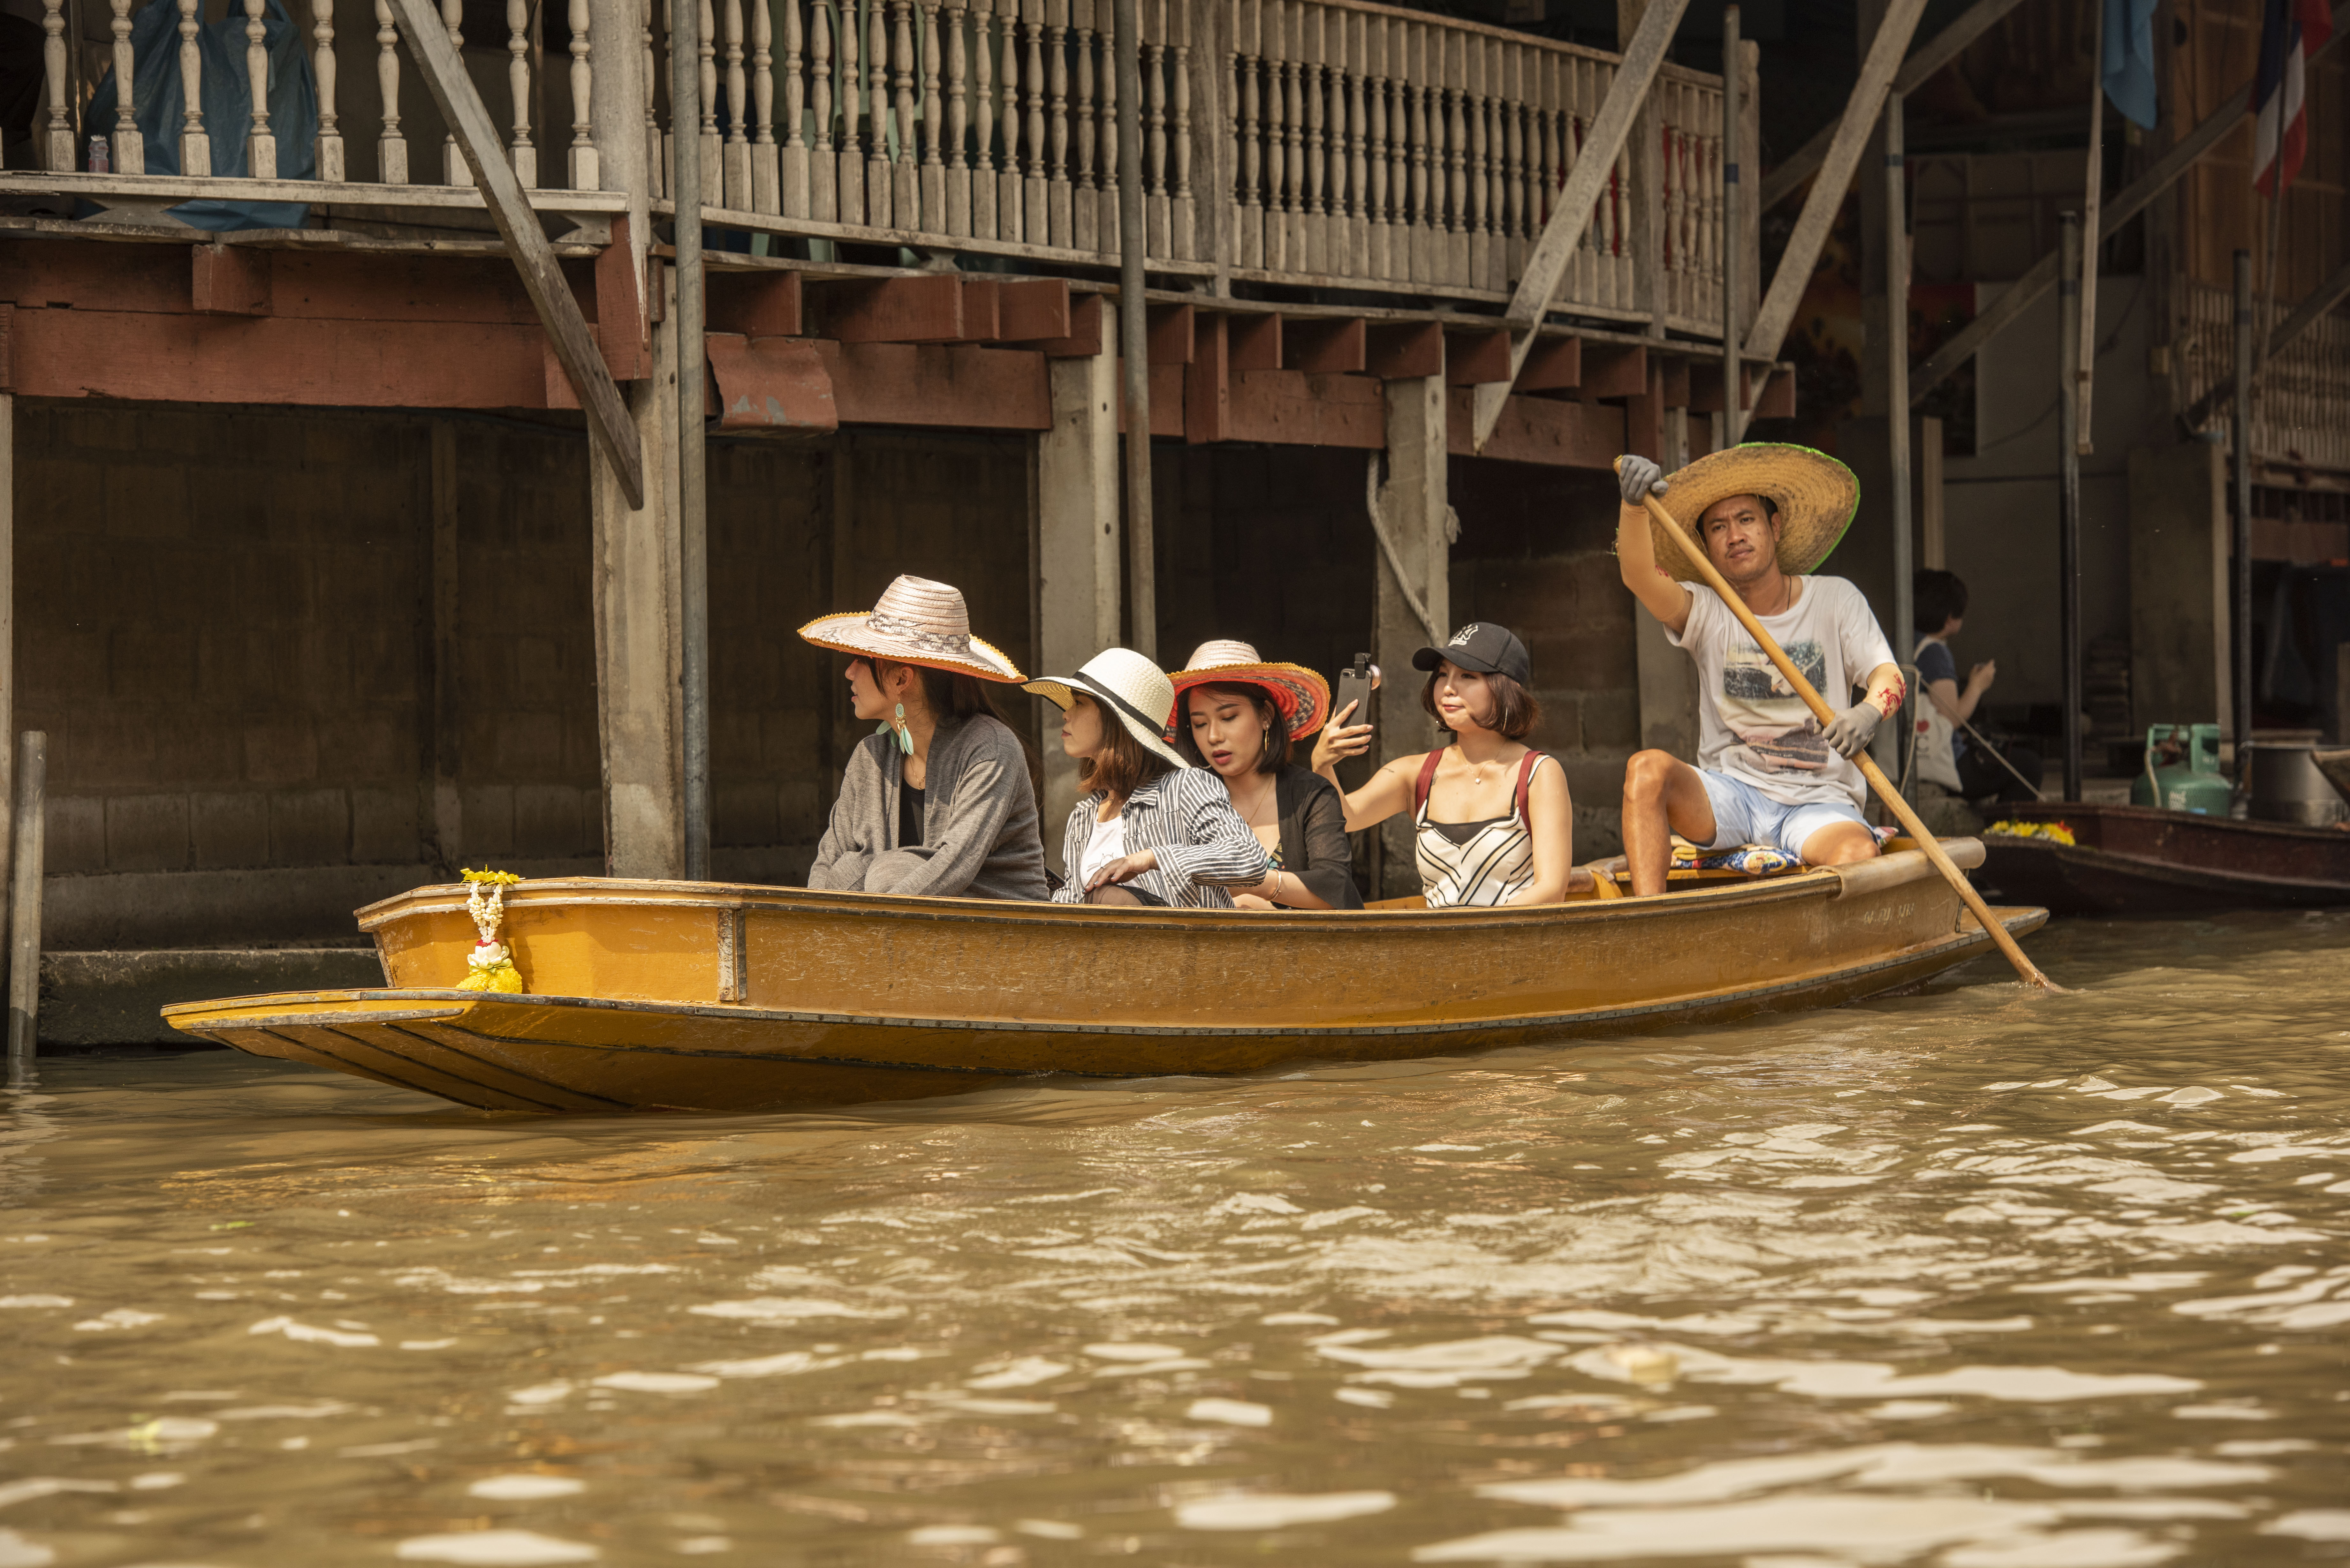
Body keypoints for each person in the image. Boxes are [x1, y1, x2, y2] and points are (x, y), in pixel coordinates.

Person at [1613, 445, 1905, 898]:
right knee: (1646, 770)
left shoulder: (1835, 599)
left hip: (1817, 802)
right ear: (1707, 545)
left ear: (1775, 526)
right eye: (1718, 527)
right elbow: (1640, 579)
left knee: (1857, 857)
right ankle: (1649, 922)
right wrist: (1633, 508)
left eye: (1746, 520)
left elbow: (1888, 675)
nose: (1734, 536)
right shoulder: (1707, 609)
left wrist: (1868, 713)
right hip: (1732, 796)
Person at [799, 575, 1048, 901]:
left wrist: (873, 907)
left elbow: (954, 867)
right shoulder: (868, 757)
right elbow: (826, 864)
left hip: (1003, 937)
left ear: (902, 678)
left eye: (862, 659)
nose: (849, 672)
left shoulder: (991, 749)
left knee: (889, 871)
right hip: (892, 938)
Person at [1310, 622, 1574, 907]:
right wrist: (1322, 765)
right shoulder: (1414, 774)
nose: (1449, 688)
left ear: (1506, 689)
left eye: (1468, 676)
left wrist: (1473, 934)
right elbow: (1346, 819)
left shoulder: (1538, 773)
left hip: (1511, 947)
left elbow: (1552, 890)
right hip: (1436, 948)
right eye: (1443, 675)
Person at [1026, 648, 1272, 907]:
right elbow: (1073, 902)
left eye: (1079, 703)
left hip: (1188, 947)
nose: (1066, 714)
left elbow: (1249, 859)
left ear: (1115, 718)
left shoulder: (1185, 787)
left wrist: (1149, 858)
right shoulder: (1083, 817)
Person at [1171, 641, 1363, 910]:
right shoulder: (1181, 802)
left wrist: (1256, 890)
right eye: (1200, 724)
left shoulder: (1311, 795)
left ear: (1266, 716)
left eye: (1228, 717)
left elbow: (1335, 888)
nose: (1214, 737)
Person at [1913, 569, 2044, 804]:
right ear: (1950, 618)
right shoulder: (1934, 652)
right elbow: (1951, 717)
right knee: (2029, 766)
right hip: (1946, 764)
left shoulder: (1905, 640)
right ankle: (2002, 835)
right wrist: (1978, 686)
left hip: (1912, 753)